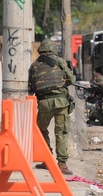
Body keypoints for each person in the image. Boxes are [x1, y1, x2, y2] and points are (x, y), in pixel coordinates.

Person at [28, 38, 75, 175]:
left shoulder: (34, 65)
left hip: (44, 104)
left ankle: (47, 159)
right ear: (53, 48)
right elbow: (72, 80)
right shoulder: (60, 61)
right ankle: (62, 164)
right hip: (61, 102)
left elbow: (31, 87)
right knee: (61, 132)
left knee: (41, 130)